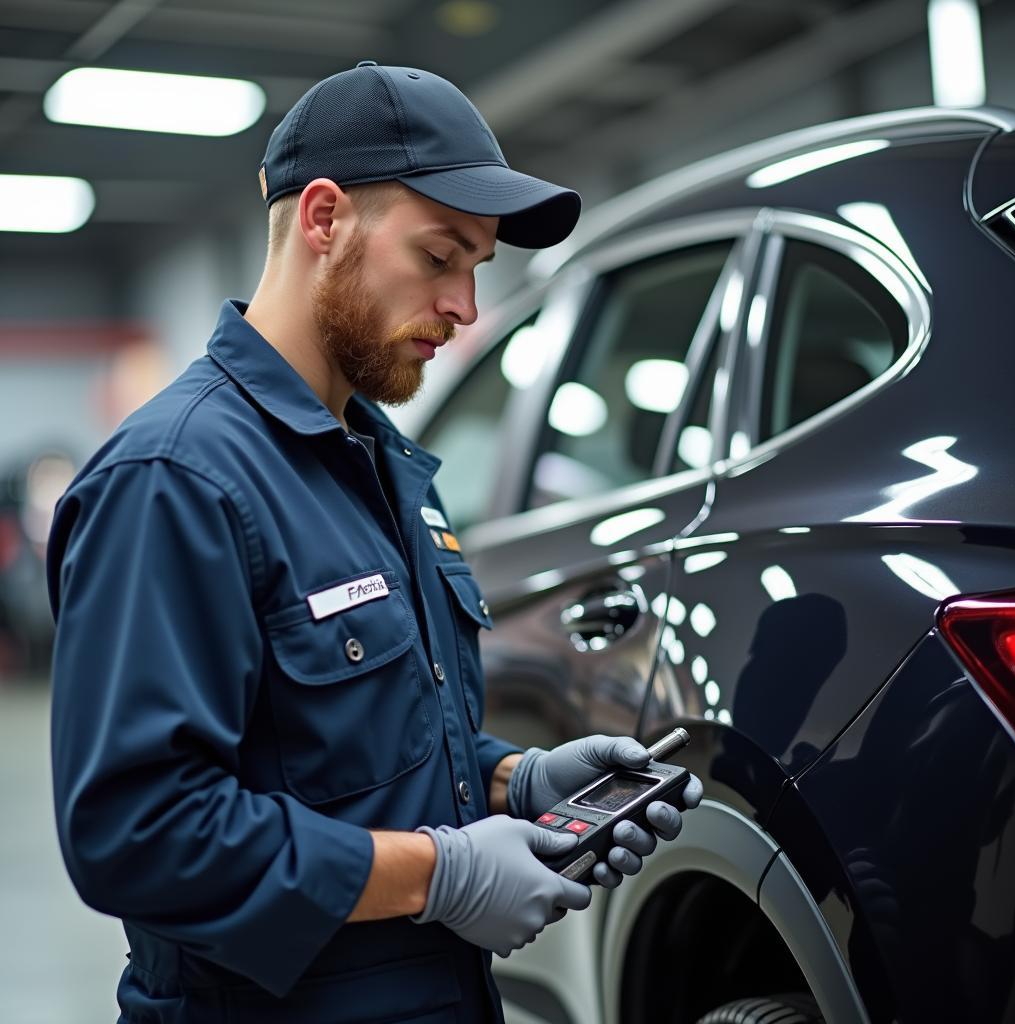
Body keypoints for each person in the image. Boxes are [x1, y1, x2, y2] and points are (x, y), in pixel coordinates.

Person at [47, 61, 703, 1023]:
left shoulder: (382, 465)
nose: (467, 307)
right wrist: (438, 874)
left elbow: (351, 747)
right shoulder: (177, 480)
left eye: (477, 268)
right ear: (323, 220)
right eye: (440, 258)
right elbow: (140, 834)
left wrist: (512, 782)